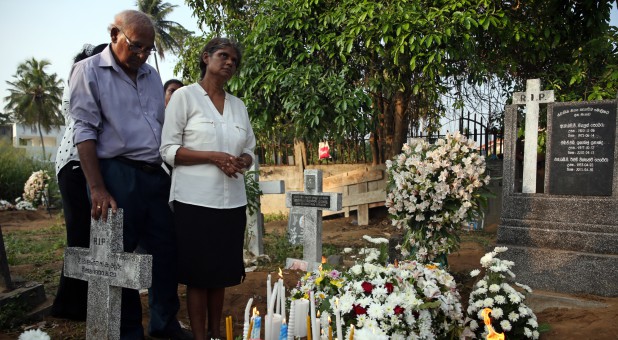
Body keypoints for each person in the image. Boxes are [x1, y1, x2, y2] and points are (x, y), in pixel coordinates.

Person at [69, 10, 191, 340]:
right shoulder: (88, 71)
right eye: (136, 46)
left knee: (166, 251)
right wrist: (96, 187)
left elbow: (162, 124)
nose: (141, 55)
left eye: (148, 49)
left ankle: (164, 323)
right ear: (114, 36)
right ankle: (128, 331)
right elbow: (84, 130)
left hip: (156, 175)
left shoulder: (151, 74)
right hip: (116, 175)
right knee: (119, 259)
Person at [160, 37, 256, 340]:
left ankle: (217, 333)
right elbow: (168, 150)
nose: (229, 63)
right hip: (194, 201)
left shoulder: (238, 106)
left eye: (234, 60)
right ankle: (201, 336)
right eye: (223, 56)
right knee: (198, 275)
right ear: (206, 58)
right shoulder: (185, 97)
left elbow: (251, 148)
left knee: (221, 274)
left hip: (231, 203)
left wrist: (242, 159)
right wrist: (214, 156)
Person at [50, 43, 107, 321]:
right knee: (79, 234)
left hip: (92, 165)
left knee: (93, 234)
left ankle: (87, 300)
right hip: (73, 163)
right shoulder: (80, 76)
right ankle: (69, 305)